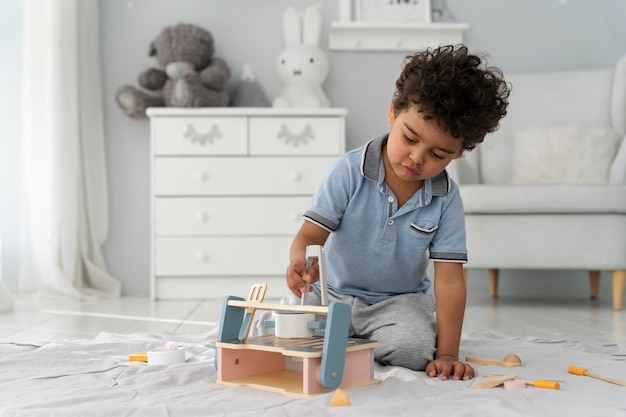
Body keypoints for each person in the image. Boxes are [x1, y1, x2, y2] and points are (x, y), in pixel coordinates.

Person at [285, 44, 510, 381]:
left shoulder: (446, 197)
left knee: (414, 351)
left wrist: (447, 353)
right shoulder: (348, 170)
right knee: (287, 335)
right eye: (409, 137)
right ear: (393, 111)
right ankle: (348, 342)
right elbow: (309, 235)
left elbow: (450, 279)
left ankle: (353, 344)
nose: (416, 158)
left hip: (398, 304)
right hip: (330, 294)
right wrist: (300, 262)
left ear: (458, 153)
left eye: (438, 153)